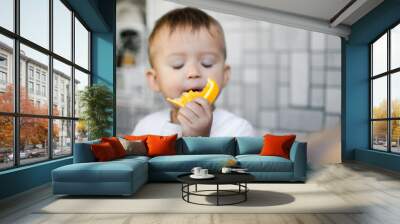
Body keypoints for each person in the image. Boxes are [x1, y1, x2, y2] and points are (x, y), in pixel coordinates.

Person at [132, 7, 255, 137]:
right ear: (155, 80)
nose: (193, 72)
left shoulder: (238, 131)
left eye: (207, 63)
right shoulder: (146, 128)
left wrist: (198, 138)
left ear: (225, 75)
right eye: (177, 65)